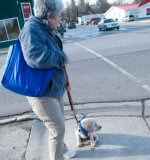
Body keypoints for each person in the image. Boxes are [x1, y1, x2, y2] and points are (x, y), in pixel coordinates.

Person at [19, 0, 68, 159]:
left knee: (58, 124)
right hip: (41, 91)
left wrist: (66, 80)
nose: (60, 19)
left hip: (53, 87)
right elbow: (35, 57)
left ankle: (63, 149)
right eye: (58, 15)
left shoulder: (45, 27)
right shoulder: (31, 29)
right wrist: (61, 58)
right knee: (57, 128)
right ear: (49, 15)